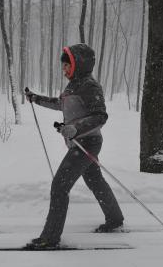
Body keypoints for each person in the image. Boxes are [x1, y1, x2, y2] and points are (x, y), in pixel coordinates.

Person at [25, 43, 124, 249]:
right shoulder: (74, 85)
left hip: (87, 142)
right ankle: (115, 219)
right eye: (63, 66)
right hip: (79, 142)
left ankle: (50, 238)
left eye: (67, 65)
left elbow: (100, 116)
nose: (64, 70)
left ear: (79, 63)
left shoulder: (90, 86)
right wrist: (36, 98)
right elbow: (60, 104)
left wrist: (75, 129)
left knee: (59, 186)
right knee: (95, 181)